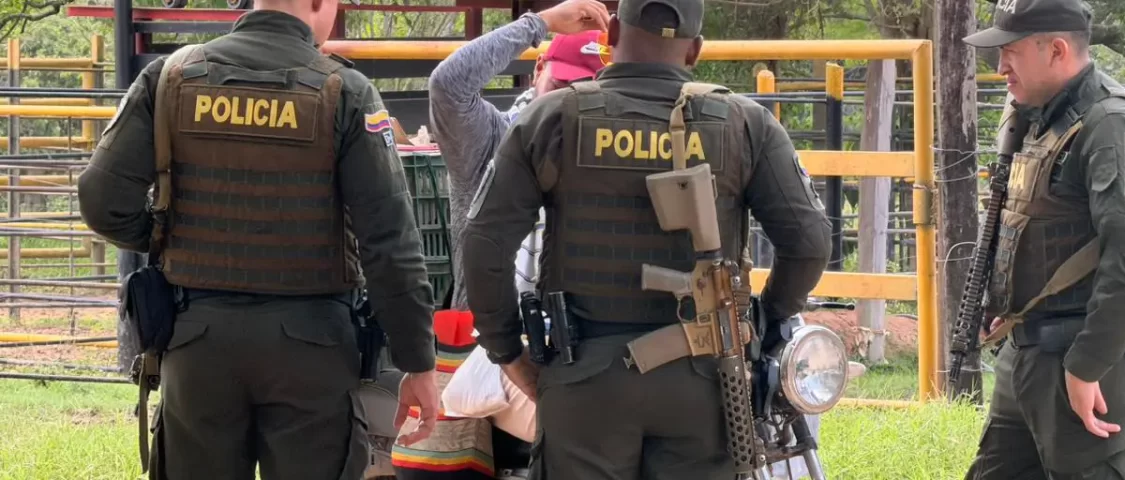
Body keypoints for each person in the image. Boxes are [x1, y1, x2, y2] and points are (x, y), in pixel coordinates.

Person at [458, 0, 833, 475]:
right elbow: (809, 245)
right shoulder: (745, 124)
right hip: (707, 381)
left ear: (612, 33)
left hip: (585, 377)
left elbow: (484, 243)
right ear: (695, 50)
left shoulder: (552, 117)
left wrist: (509, 352)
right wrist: (766, 322)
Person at [76, 0, 441, 478]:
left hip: (196, 343)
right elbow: (390, 243)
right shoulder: (347, 90)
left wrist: (171, 237)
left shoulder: (171, 77)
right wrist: (419, 362)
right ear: (319, 2)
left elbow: (101, 200)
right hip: (313, 349)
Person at [390, 3, 610, 479]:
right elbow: (448, 85)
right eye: (562, 83)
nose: (566, 101)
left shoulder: (603, 156)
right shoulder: (491, 136)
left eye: (583, 89)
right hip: (480, 356)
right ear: (539, 69)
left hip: (568, 360)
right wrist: (540, 23)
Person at [960, 0, 1125, 478]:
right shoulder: (1043, 115)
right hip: (1026, 352)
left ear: (1055, 50)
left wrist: (1087, 365)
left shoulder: (1110, 124)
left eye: (1010, 51)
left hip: (1079, 358)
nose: (1000, 66)